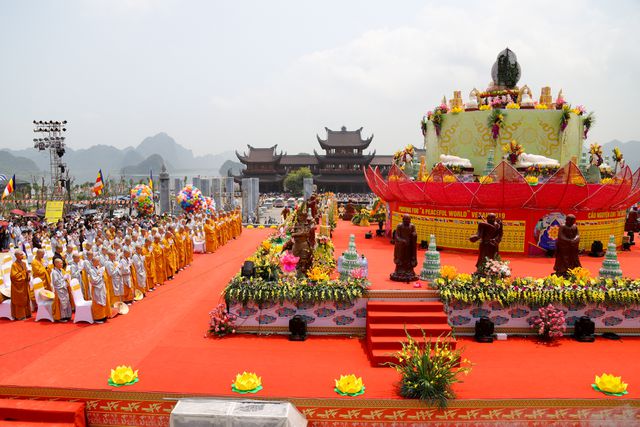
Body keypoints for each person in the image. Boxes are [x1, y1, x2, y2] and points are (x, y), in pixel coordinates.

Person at [390, 214, 418, 282]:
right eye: (405, 220)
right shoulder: (399, 226)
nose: (407, 222)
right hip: (401, 246)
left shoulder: (412, 226)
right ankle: (400, 271)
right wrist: (402, 241)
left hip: (409, 246)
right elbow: (396, 236)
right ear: (403, 220)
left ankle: (409, 271)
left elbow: (414, 234)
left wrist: (414, 235)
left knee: (408, 258)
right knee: (401, 259)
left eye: (408, 220)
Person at [10, 250, 31, 320]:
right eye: (21, 255)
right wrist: (25, 273)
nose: (22, 256)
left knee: (26, 299)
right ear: (16, 256)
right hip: (18, 286)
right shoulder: (14, 265)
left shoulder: (24, 263)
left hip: (24, 284)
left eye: (22, 254)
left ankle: (27, 313)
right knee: (20, 300)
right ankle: (20, 316)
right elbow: (14, 276)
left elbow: (25, 273)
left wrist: (28, 274)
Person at [88, 257, 109, 323]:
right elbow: (94, 280)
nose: (98, 263)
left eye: (98, 261)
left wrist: (101, 274)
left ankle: (103, 315)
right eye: (97, 262)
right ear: (93, 262)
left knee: (102, 299)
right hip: (96, 288)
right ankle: (98, 318)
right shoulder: (91, 270)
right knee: (98, 302)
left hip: (101, 287)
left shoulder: (97, 268)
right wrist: (100, 275)